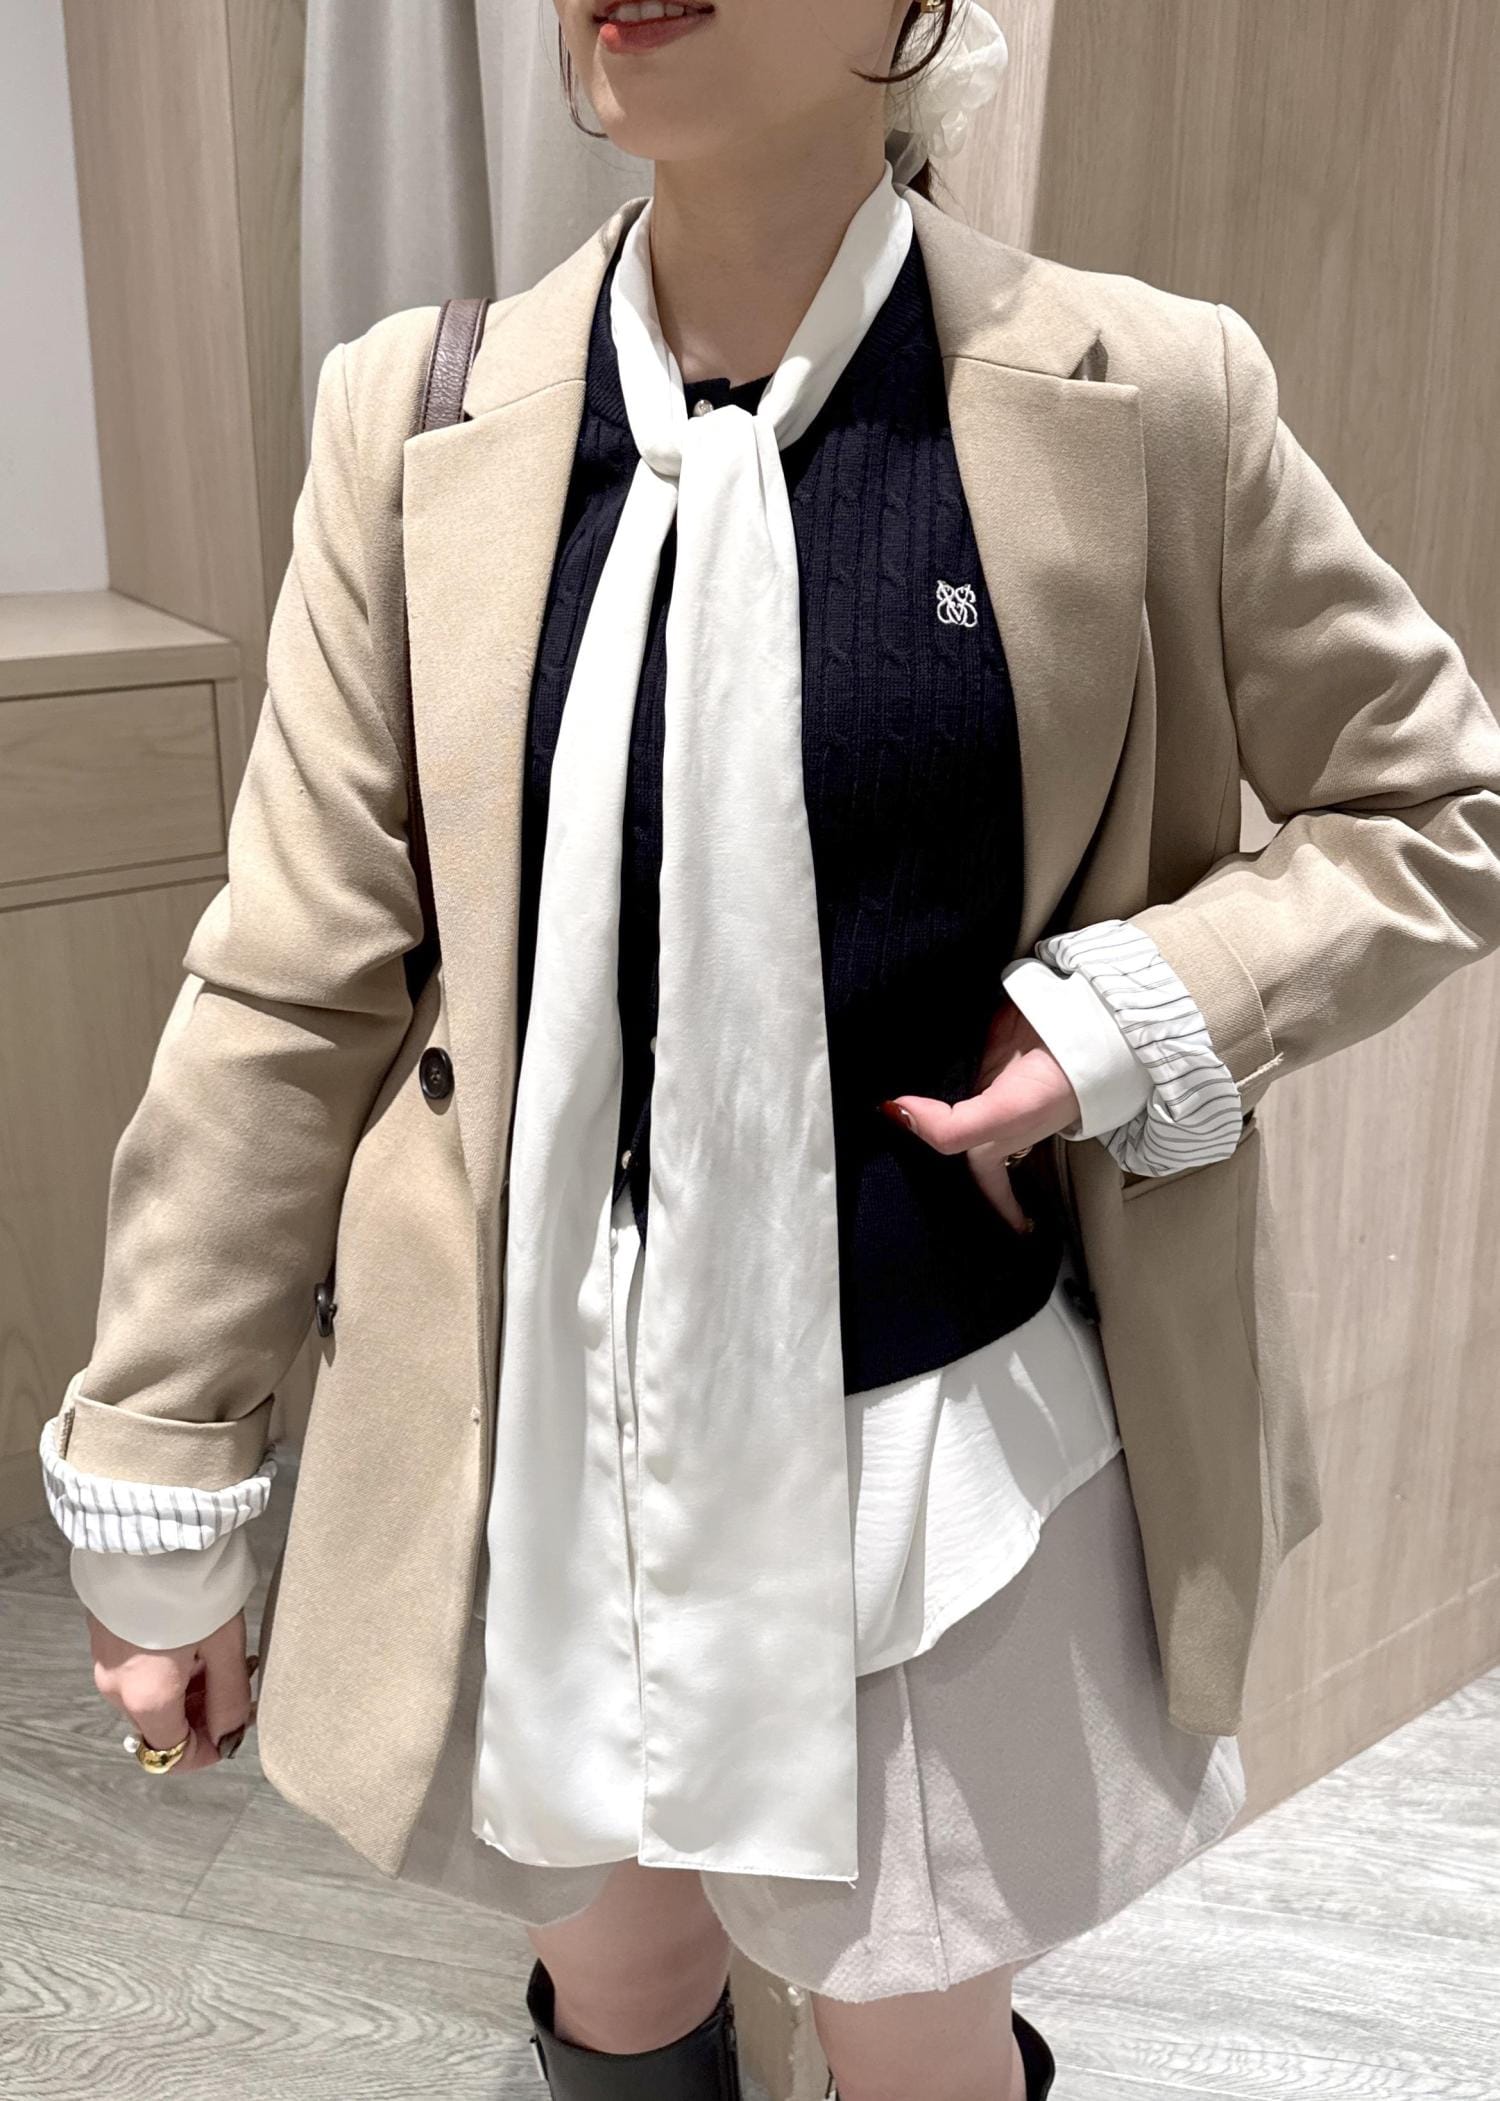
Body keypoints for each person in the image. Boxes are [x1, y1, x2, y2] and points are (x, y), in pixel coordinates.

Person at [38, 4, 1500, 2099]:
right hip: (529, 1436)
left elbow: (1439, 805)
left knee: (909, 2016)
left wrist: (1124, 1010)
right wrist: (168, 1465)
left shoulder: (1145, 390)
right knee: (621, 1984)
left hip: (931, 1456)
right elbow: (294, 981)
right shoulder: (419, 414)